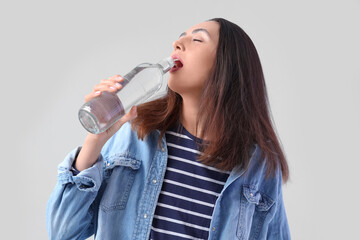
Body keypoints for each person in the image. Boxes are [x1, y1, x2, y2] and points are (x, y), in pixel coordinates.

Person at [46, 18, 291, 240]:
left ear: (227, 67)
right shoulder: (136, 134)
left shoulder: (259, 168)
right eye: (180, 36)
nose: (178, 42)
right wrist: (95, 141)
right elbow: (63, 232)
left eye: (197, 39)